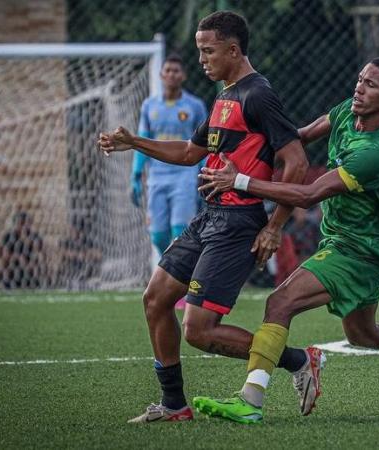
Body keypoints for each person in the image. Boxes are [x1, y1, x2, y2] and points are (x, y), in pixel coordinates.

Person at [194, 57, 379, 424]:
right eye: (360, 79)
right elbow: (295, 138)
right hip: (346, 242)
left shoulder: (375, 153)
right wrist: (252, 144)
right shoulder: (348, 112)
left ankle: (250, 401)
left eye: (371, 85)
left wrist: (239, 181)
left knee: (280, 302)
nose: (359, 88)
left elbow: (308, 195)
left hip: (358, 250)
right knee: (364, 333)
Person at [98, 11, 324, 423]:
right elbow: (189, 153)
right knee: (155, 300)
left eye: (208, 50)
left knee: (199, 330)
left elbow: (295, 161)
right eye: (200, 50)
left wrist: (274, 227)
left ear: (233, 50)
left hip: (238, 225)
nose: (202, 59)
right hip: (210, 218)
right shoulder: (225, 96)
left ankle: (297, 360)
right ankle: (173, 405)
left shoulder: (258, 95)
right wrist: (134, 143)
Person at [131, 54, 208, 266]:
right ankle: (177, 272)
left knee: (180, 232)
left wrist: (205, 173)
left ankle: (180, 283)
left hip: (184, 176)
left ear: (183, 76)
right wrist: (136, 175)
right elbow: (142, 141)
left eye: (176, 71)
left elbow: (205, 146)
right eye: (168, 71)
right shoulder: (149, 106)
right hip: (156, 177)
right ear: (161, 75)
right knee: (157, 235)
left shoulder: (195, 106)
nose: (171, 74)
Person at [0, 211, 44, 289]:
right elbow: (5, 254)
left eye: (26, 223)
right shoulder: (9, 236)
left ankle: (34, 281)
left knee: (36, 260)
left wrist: (25, 239)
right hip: (14, 266)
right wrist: (18, 257)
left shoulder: (34, 235)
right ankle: (7, 282)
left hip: (30, 267)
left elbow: (38, 250)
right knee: (9, 263)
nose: (24, 226)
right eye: (21, 223)